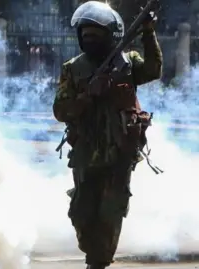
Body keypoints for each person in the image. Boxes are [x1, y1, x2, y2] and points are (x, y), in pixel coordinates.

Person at [52, 2, 162, 269]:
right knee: (82, 213)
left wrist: (148, 32)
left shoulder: (128, 62)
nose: (89, 38)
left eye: (96, 33)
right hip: (86, 152)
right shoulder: (73, 69)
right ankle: (94, 254)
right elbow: (60, 110)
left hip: (120, 151)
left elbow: (153, 70)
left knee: (111, 212)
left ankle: (98, 262)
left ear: (110, 34)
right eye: (85, 33)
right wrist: (88, 95)